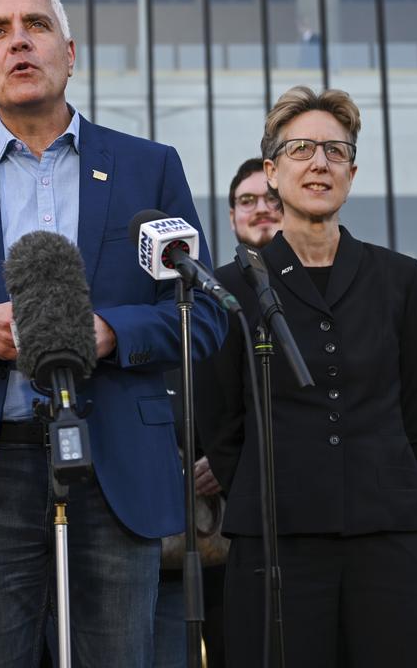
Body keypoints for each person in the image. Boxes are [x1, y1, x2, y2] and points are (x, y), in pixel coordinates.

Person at [0, 0, 227, 666]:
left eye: (34, 26)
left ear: (69, 52)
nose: (19, 41)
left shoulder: (147, 168)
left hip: (114, 464)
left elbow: (202, 314)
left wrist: (110, 334)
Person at [206, 85, 417, 667]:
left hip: (386, 533)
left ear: (352, 172)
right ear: (272, 170)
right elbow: (221, 422)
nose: (319, 163)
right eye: (302, 149)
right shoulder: (232, 285)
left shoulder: (401, 277)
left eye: (335, 152)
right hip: (276, 541)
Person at [156, 157, 282, 668]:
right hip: (195, 517)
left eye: (270, 200)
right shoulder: (206, 295)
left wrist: (231, 464)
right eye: (247, 201)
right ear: (231, 217)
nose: (260, 210)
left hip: (263, 509)